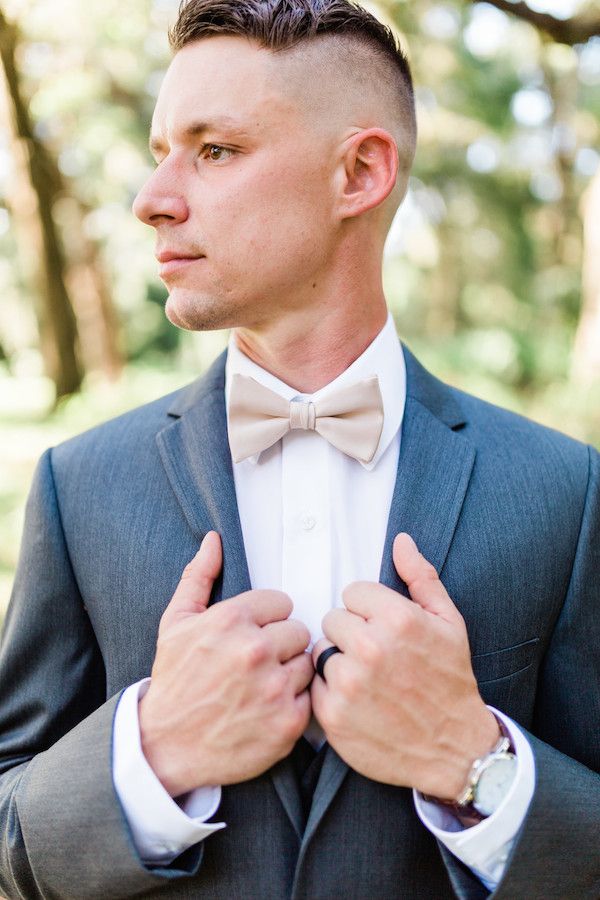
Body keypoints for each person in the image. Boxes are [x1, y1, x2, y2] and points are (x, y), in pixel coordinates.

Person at [0, 0, 598, 897]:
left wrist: (479, 764)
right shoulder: (79, 484)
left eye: (215, 151)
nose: (152, 199)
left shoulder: (563, 489)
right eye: (162, 152)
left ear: (359, 172)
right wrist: (149, 753)